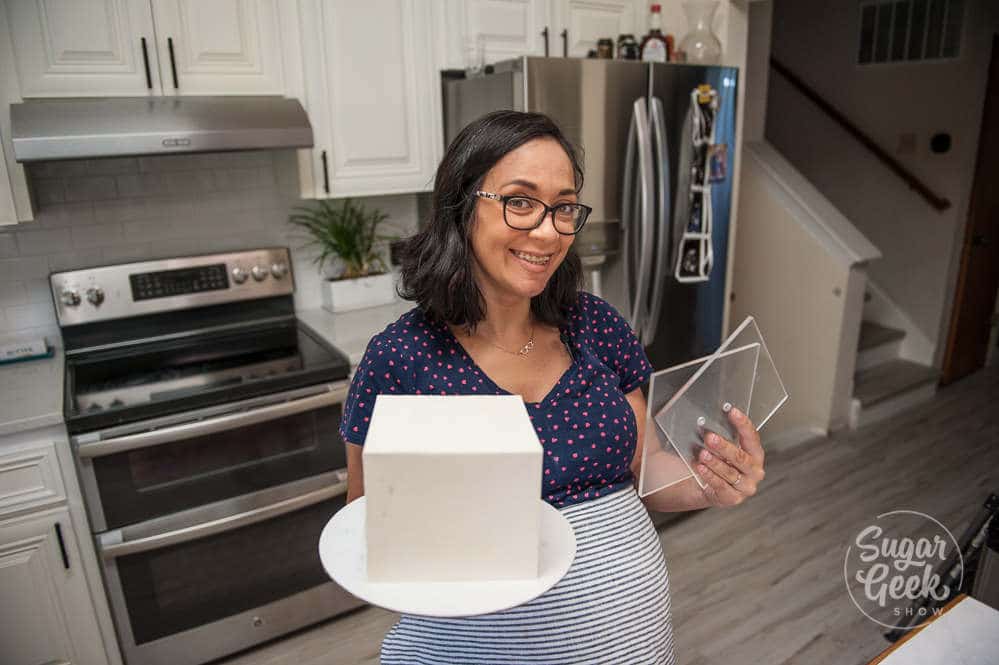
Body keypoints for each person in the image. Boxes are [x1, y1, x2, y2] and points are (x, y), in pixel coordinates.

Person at [338, 110, 766, 664]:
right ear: (462, 206)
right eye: (520, 201)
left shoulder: (595, 325)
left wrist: (708, 483)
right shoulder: (401, 358)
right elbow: (368, 526)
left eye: (563, 207)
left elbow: (647, 468)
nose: (548, 231)